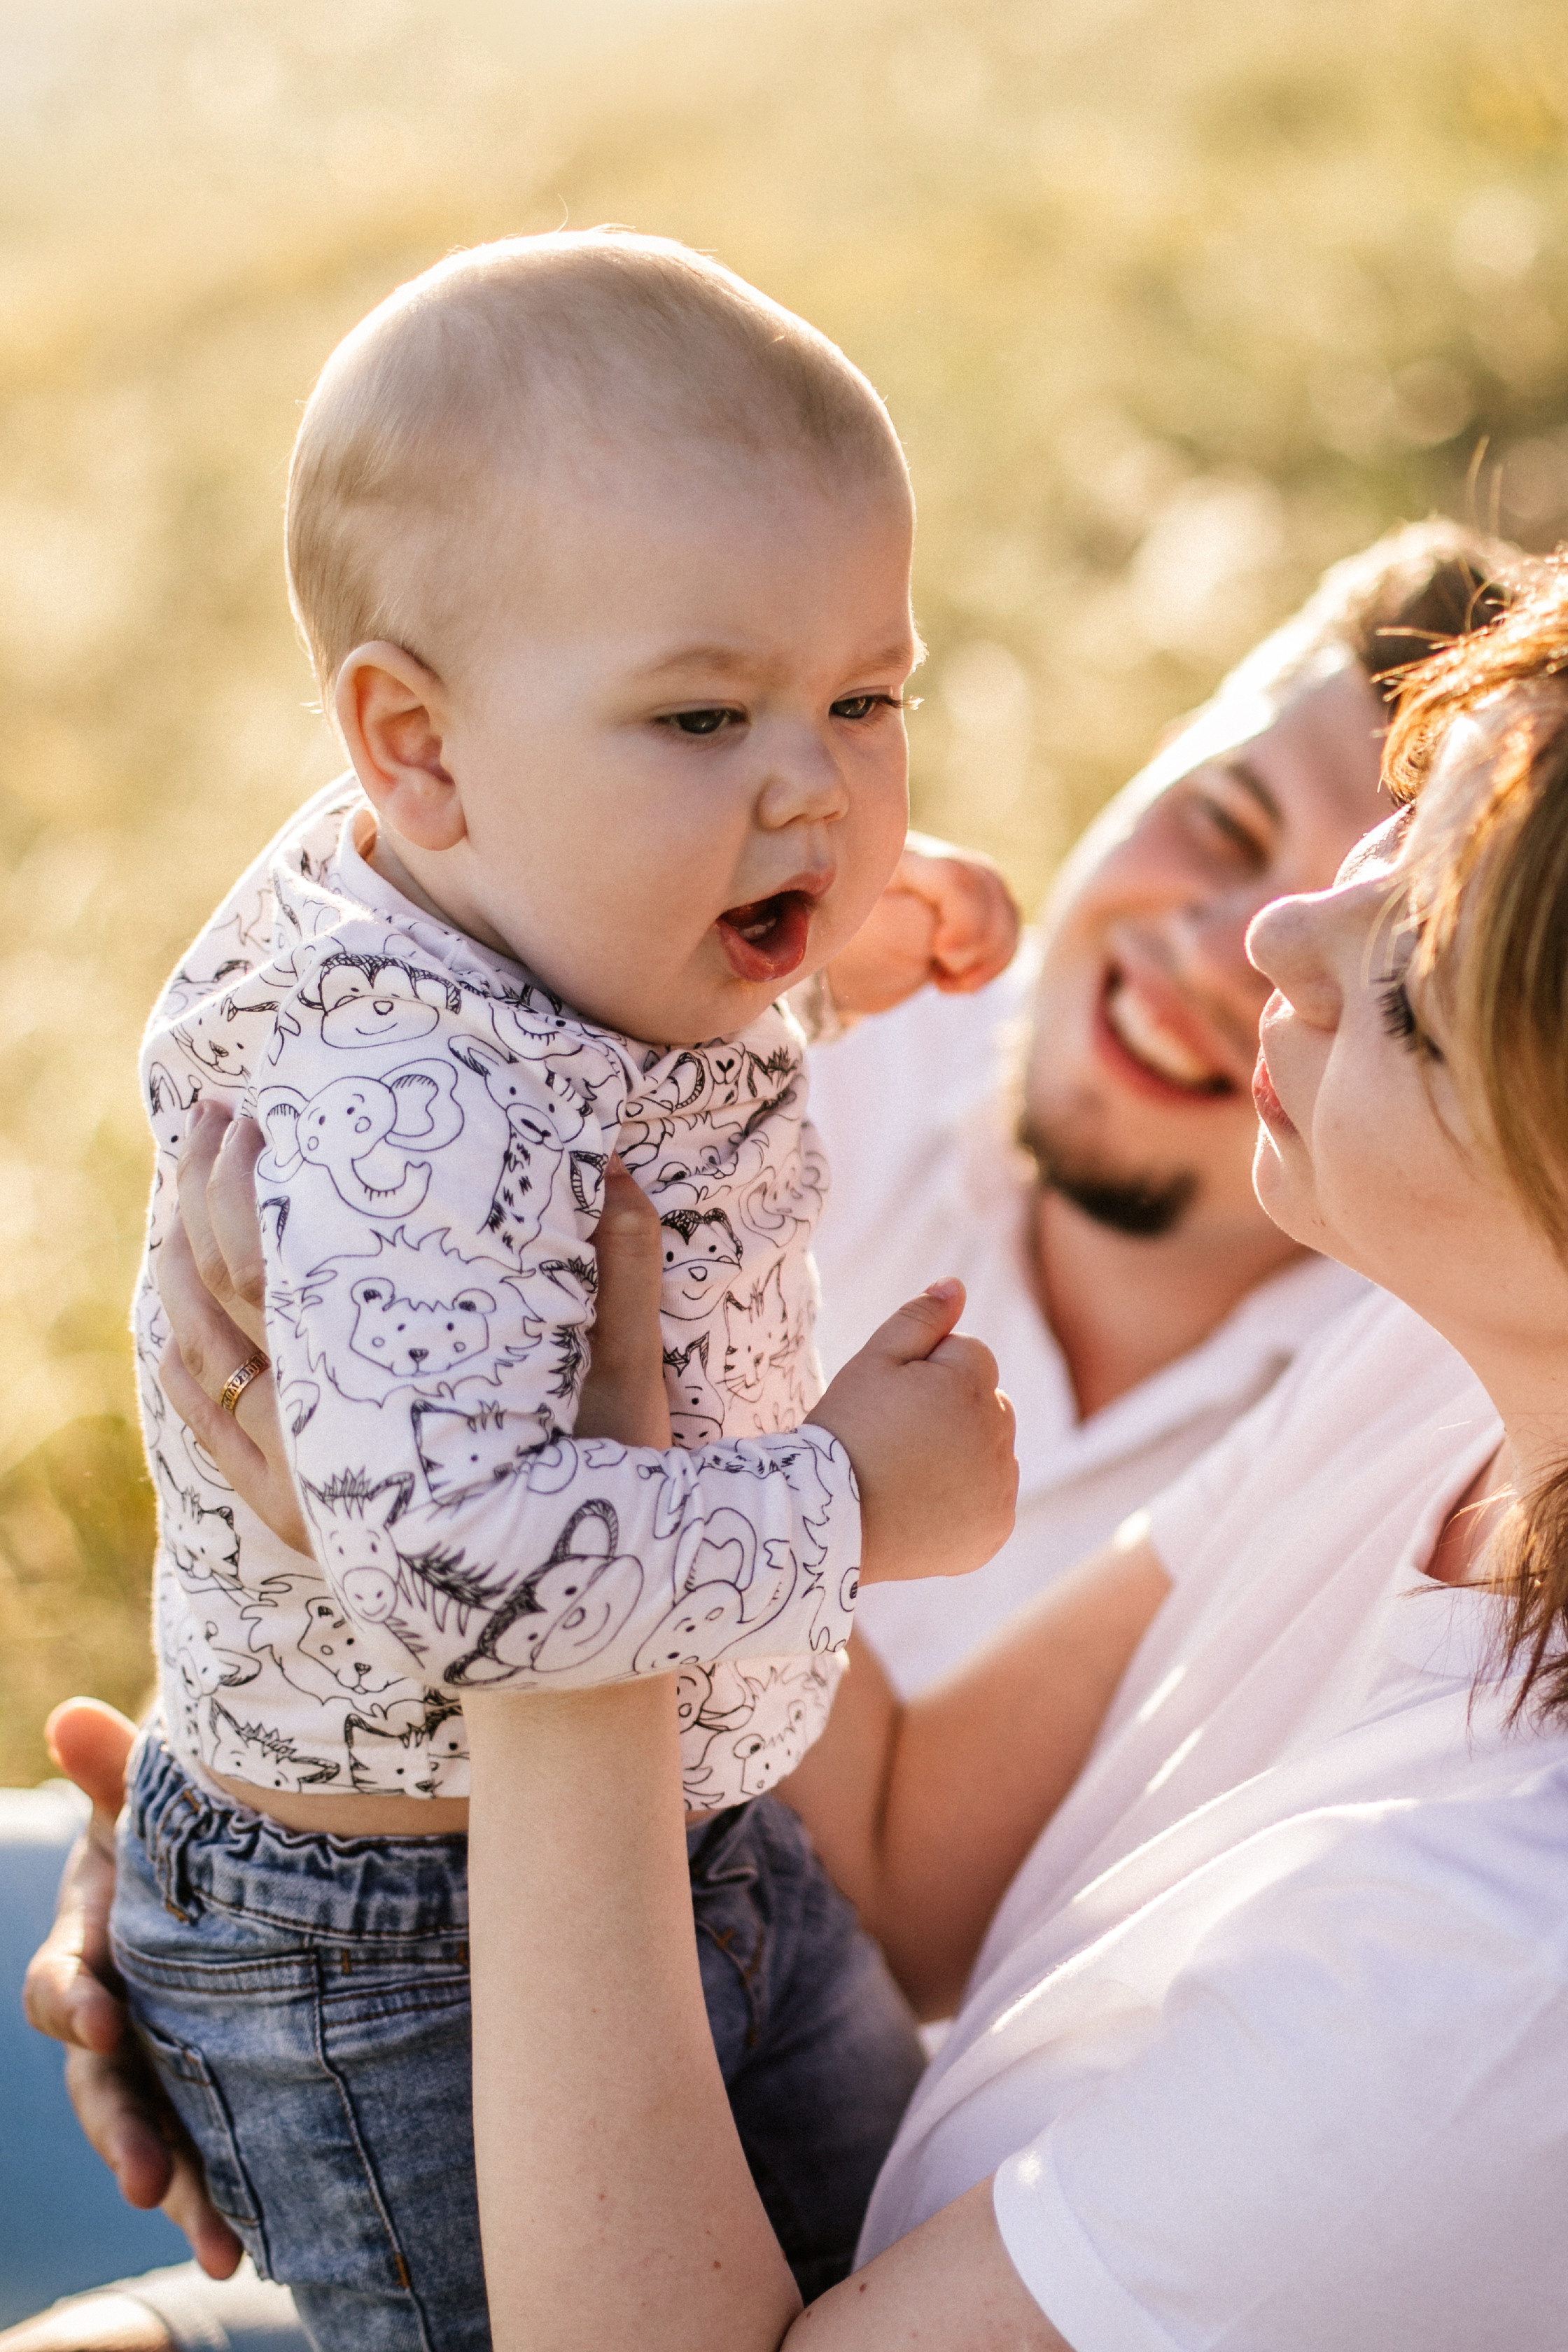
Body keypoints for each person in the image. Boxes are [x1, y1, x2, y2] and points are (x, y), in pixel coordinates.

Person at [434, 553, 1568, 2346]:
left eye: (1416, 984)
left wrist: (549, 1566)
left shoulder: (1487, 1978)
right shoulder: (1437, 1379)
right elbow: (910, 1853)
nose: (1275, 939)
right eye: (1408, 820)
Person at [114, 225, 1020, 2348]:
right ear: (413, 749)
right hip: (399, 1951)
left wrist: (819, 930)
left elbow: (601, 1016)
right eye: (706, 715)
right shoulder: (396, 1100)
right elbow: (454, 1571)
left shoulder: (524, 875)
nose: (816, 787)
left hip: (696, 1829)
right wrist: (854, 1504)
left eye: (865, 700)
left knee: (886, 2269)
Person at [816, 518, 1518, 1695]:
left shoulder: (1430, 1443)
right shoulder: (777, 1040)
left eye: (1381, 959)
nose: (1215, 949)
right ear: (1169, 751)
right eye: (1224, 824)